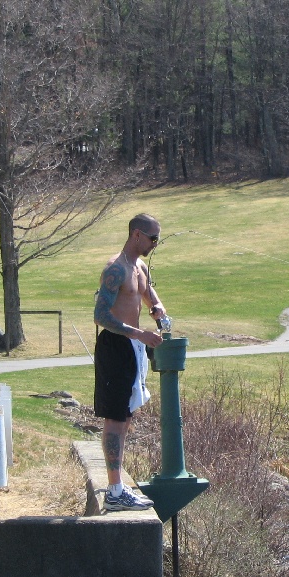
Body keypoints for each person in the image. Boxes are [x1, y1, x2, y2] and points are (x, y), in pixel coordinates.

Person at [93, 213, 167, 511]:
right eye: (153, 239)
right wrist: (138, 332)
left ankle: (119, 486)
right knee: (115, 419)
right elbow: (100, 315)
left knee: (126, 417)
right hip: (116, 346)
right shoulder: (115, 269)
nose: (155, 244)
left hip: (134, 348)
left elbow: (146, 292)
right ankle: (114, 492)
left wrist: (158, 306)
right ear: (137, 234)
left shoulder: (139, 266)